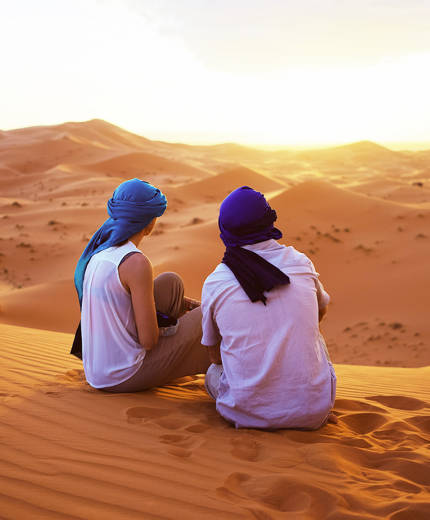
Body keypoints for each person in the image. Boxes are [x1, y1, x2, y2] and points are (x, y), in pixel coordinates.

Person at [201, 186, 336, 429]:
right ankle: (308, 399)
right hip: (314, 414)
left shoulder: (216, 281)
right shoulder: (300, 262)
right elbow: (320, 312)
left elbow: (214, 356)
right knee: (316, 336)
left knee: (212, 374)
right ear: (268, 220)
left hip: (243, 414)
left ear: (225, 228)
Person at [73, 178, 210, 392]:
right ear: (149, 223)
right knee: (210, 314)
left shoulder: (100, 252)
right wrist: (180, 327)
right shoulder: (135, 263)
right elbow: (149, 341)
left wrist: (184, 307)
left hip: (97, 371)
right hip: (123, 374)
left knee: (170, 283)